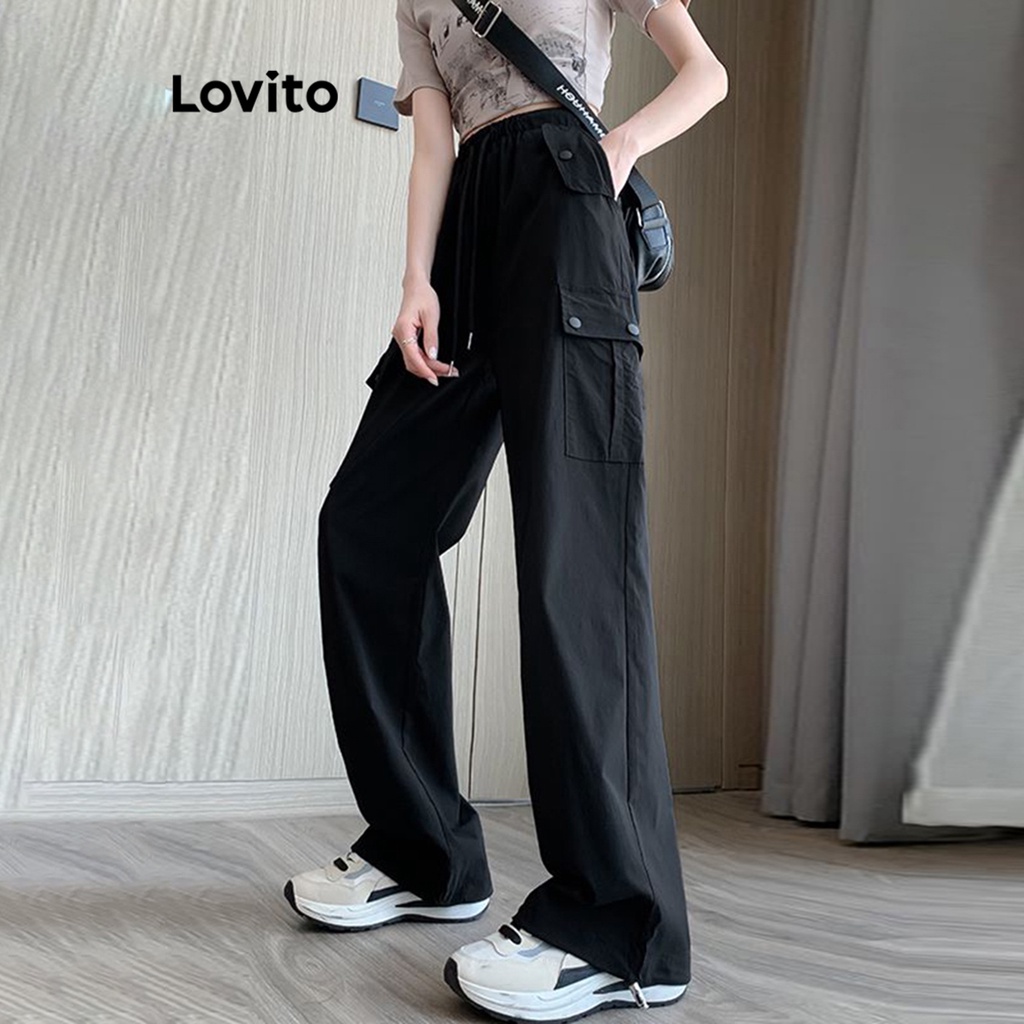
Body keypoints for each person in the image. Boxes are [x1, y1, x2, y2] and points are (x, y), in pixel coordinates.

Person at [284, 1, 728, 1019]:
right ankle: (425, 851)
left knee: (575, 559)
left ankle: (623, 927)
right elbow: (434, 141)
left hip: (566, 203)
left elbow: (704, 73)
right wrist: (415, 279)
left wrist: (621, 146)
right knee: (369, 527)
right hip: (466, 234)